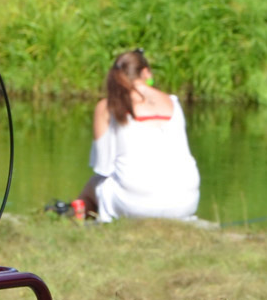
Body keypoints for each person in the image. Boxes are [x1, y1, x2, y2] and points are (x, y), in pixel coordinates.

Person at [76, 49, 201, 222]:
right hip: (186, 202)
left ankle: (78, 224)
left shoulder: (107, 107)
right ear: (145, 73)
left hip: (136, 203)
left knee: (94, 184)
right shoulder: (174, 102)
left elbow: (102, 167)